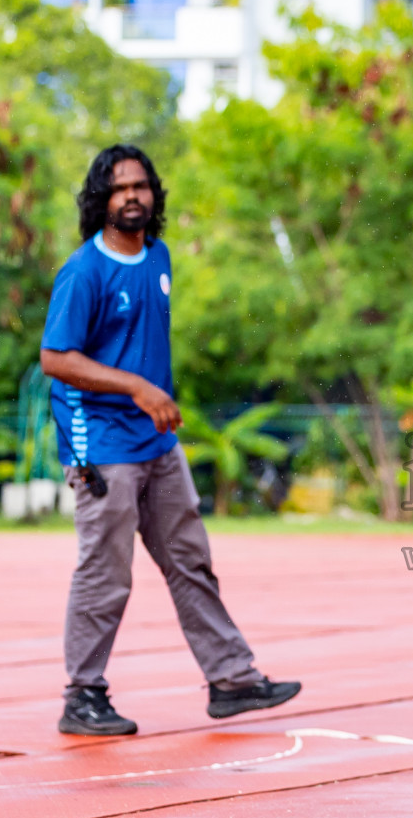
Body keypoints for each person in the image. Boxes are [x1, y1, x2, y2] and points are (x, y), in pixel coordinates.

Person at [39, 144, 301, 736]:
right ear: (100, 199)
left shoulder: (158, 257)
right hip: (101, 444)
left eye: (140, 186)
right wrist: (136, 386)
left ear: (153, 195)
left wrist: (150, 397)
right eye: (118, 187)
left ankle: (231, 679)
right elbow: (55, 358)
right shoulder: (84, 271)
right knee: (105, 575)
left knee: (191, 562)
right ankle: (82, 694)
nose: (131, 195)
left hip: (157, 443)